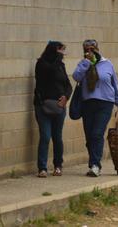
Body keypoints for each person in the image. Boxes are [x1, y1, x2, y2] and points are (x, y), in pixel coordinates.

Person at [72, 39, 118, 177]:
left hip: (105, 103)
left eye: (91, 49)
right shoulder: (83, 64)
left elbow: (115, 84)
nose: (89, 51)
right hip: (87, 103)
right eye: (86, 49)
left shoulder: (107, 64)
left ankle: (95, 165)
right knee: (90, 137)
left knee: (97, 133)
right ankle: (93, 163)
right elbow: (76, 77)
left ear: (97, 49)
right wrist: (87, 63)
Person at [34, 41, 72, 178]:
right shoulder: (42, 64)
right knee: (45, 136)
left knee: (57, 137)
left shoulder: (61, 66)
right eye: (60, 52)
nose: (62, 56)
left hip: (58, 106)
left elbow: (68, 85)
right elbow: (48, 72)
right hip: (43, 106)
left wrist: (66, 97)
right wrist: (58, 57)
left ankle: (58, 166)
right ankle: (42, 168)